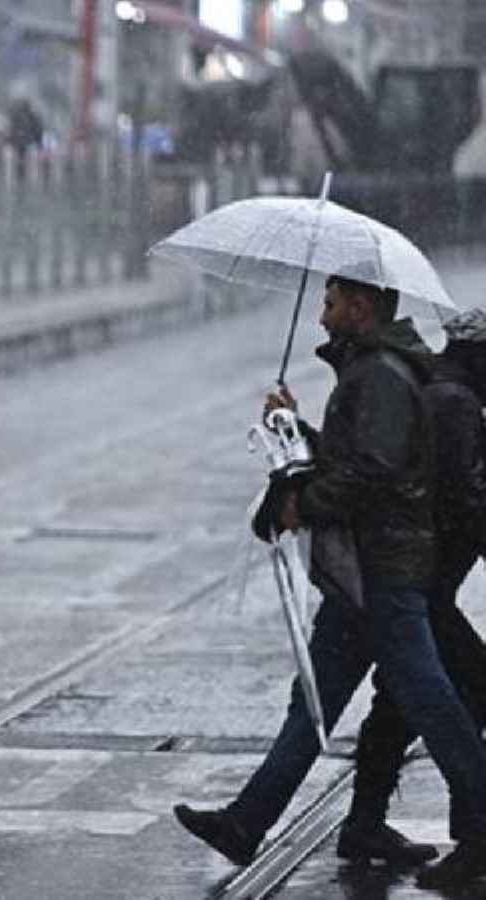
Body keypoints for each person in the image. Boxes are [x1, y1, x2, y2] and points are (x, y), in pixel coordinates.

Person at [173, 275, 486, 890]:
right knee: (315, 701)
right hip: (361, 574)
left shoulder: (382, 375)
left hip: (384, 572)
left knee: (432, 702)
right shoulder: (372, 370)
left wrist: (305, 503)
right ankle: (246, 821)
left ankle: (478, 820)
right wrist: (293, 428)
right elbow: (359, 458)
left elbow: (374, 473)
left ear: (361, 307)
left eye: (331, 303)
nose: (322, 316)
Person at [337, 307, 486, 864]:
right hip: (423, 584)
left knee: (400, 700)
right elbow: (462, 497)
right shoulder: (455, 402)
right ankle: (474, 838)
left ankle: (364, 824)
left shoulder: (440, 389)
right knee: (469, 692)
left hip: (413, 580)